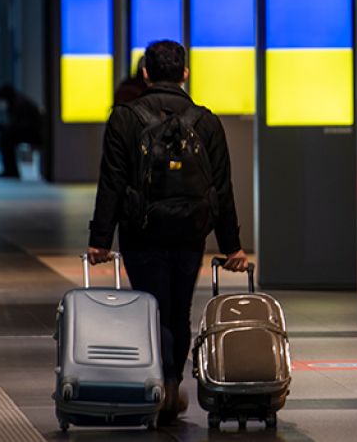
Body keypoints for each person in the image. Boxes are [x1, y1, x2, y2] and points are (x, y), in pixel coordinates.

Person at [86, 40, 249, 425]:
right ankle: (173, 380)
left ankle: (157, 381)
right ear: (185, 73)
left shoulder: (125, 118)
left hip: (141, 230)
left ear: (145, 73)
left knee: (149, 305)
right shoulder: (206, 121)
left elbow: (111, 181)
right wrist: (232, 247)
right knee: (179, 308)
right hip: (190, 230)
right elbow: (222, 187)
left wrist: (99, 239)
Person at [0, 84, 43, 179]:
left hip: (35, 134)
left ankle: (11, 171)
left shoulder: (20, 105)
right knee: (6, 138)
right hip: (32, 132)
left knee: (6, 139)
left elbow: (15, 127)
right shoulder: (18, 103)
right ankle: (10, 170)